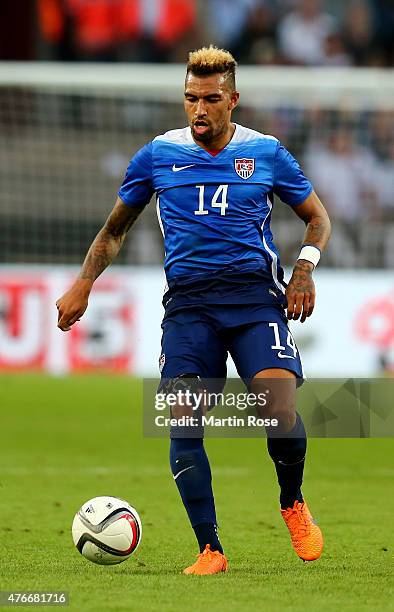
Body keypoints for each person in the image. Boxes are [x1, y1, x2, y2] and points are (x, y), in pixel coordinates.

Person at [56, 46, 331, 575]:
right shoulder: (158, 156)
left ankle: (292, 502)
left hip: (254, 301)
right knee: (183, 420)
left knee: (280, 410)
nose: (198, 109)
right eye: (190, 99)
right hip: (189, 307)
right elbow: (116, 229)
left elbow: (317, 218)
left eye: (210, 99)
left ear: (232, 100)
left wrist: (303, 270)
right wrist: (83, 284)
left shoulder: (267, 152)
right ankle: (210, 549)